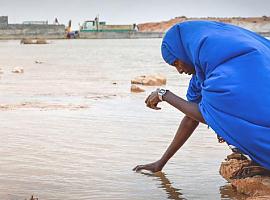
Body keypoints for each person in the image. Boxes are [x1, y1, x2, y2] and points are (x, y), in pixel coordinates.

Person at [133, 21, 270, 176]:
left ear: (185, 51)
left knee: (223, 115)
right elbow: (191, 117)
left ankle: (264, 161)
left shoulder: (226, 68)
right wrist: (161, 163)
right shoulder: (202, 74)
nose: (179, 70)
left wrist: (164, 95)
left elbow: (210, 114)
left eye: (177, 62)